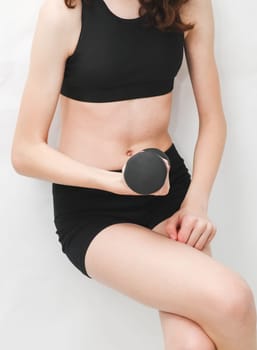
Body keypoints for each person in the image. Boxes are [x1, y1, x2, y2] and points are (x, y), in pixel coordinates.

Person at [11, 0, 257, 349]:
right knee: (233, 300)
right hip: (93, 211)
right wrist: (114, 182)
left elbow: (214, 121)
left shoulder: (188, 4)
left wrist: (196, 203)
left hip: (171, 199)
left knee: (193, 344)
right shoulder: (67, 10)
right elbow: (25, 152)